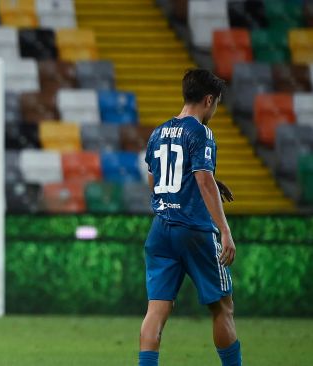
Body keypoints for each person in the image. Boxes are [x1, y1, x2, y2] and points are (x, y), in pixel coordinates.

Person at [138, 69, 241, 366]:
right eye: (217, 104)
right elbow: (204, 179)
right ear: (209, 100)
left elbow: (155, 179)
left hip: (161, 229)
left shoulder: (158, 132)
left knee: (156, 311)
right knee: (223, 308)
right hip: (194, 230)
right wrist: (224, 230)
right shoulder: (201, 132)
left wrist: (167, 203)